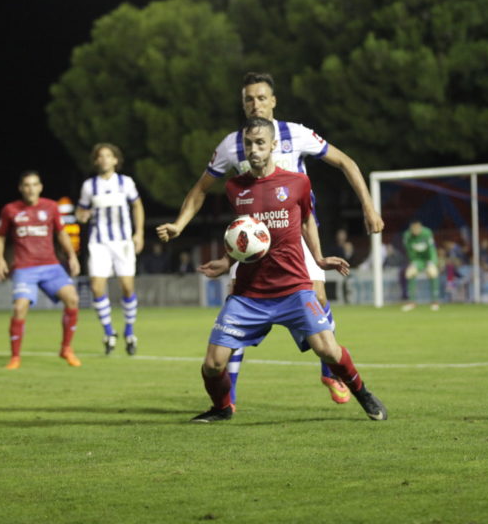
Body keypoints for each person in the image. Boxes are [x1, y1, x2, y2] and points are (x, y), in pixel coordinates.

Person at [156, 72, 385, 407]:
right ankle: (227, 398)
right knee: (236, 310)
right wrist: (180, 223)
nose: (255, 104)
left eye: (261, 97)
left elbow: (345, 162)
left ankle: (330, 371)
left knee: (318, 297)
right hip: (249, 242)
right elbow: (201, 189)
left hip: (297, 236)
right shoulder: (232, 144)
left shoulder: (296, 133)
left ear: (273, 101)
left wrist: (368, 207)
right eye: (248, 98)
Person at [191, 118, 387, 422]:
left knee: (329, 351)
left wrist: (319, 260)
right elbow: (244, 235)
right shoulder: (234, 187)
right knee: (213, 364)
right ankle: (222, 408)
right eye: (247, 144)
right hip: (249, 294)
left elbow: (307, 220)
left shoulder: (297, 182)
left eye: (259, 143)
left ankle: (363, 394)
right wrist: (227, 261)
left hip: (294, 288)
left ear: (273, 146)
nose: (253, 150)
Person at [0, 170, 83, 370]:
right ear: (21, 188)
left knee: (72, 299)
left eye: (34, 184)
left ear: (40, 187)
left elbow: (62, 234)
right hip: (25, 268)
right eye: (27, 185)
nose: (31, 189)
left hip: (51, 265)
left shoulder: (51, 207)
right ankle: (15, 357)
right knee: (20, 308)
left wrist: (72, 256)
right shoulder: (10, 210)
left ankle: (66, 348)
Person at [76, 143, 145, 356]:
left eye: (108, 156)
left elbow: (137, 206)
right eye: (100, 156)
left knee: (127, 287)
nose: (104, 159)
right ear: (96, 161)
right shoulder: (89, 186)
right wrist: (82, 216)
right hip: (98, 243)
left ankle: (130, 331)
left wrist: (139, 233)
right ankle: (108, 332)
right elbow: (81, 211)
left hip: (123, 242)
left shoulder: (126, 182)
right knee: (97, 288)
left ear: (116, 160)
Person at [401, 220, 441, 311]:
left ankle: (435, 302)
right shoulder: (407, 236)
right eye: (413, 229)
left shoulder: (427, 233)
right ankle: (412, 302)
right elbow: (409, 251)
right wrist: (413, 262)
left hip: (428, 259)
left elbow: (432, 248)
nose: (415, 230)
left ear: (420, 227)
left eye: (417, 228)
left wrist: (432, 261)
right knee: (410, 273)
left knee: (433, 272)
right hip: (417, 260)